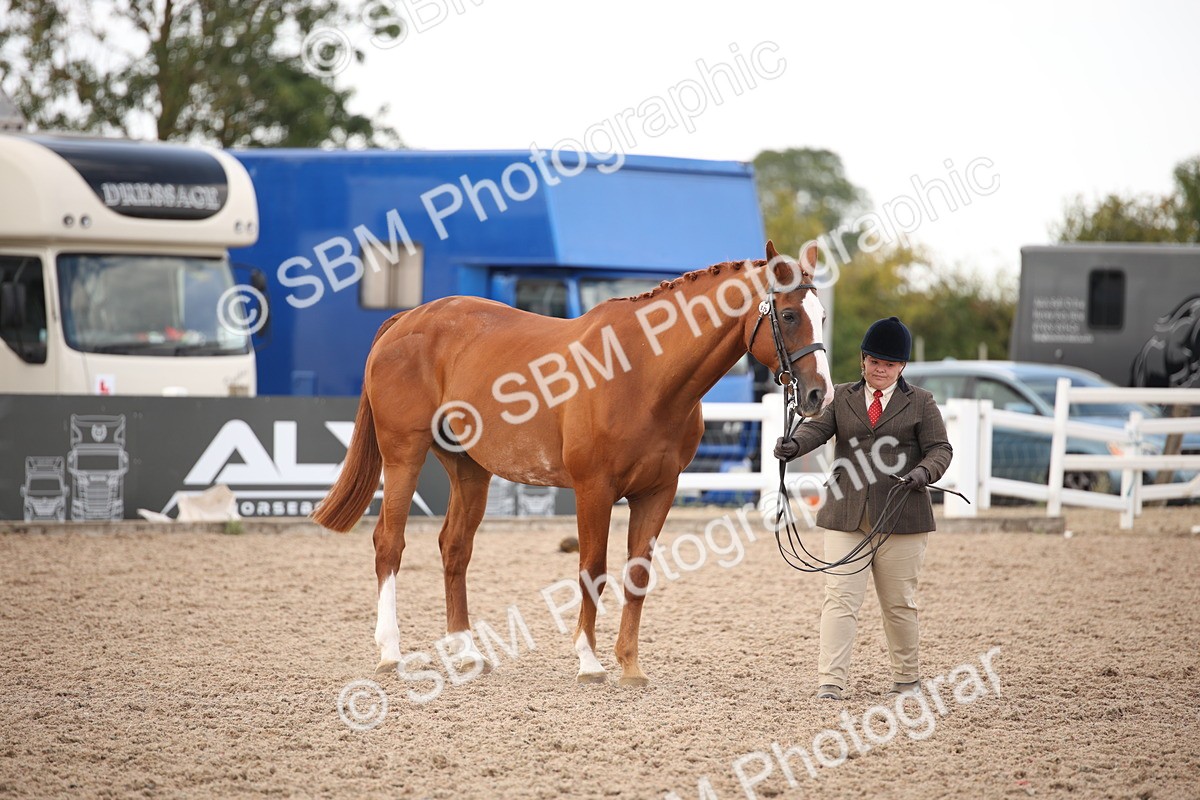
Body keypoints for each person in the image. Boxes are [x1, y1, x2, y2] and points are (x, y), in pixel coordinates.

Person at [774, 316, 952, 701]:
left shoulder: (921, 401)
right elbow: (816, 429)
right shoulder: (841, 396)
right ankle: (831, 682)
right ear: (862, 360)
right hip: (846, 514)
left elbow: (941, 448)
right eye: (874, 362)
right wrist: (794, 444)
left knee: (899, 604)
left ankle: (906, 678)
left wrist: (925, 471)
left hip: (902, 515)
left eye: (889, 364)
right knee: (839, 599)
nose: (881, 370)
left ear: (902, 366)